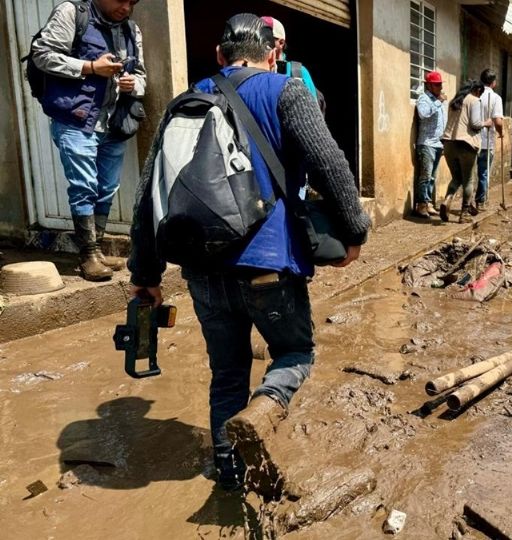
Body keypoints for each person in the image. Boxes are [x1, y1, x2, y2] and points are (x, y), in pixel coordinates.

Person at [127, 13, 370, 496]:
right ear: (274, 54)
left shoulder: (185, 103)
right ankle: (266, 407)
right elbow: (329, 163)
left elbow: (147, 194)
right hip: (269, 263)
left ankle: (229, 473)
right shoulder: (287, 91)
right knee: (295, 352)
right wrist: (355, 230)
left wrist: (145, 274)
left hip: (201, 270)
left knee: (228, 372)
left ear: (218, 55)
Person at [31, 0, 146, 281]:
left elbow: (142, 75)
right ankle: (88, 255)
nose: (127, 8)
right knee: (84, 186)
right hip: (76, 119)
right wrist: (90, 67)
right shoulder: (72, 13)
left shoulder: (131, 30)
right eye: (121, 0)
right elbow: (42, 54)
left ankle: (98, 249)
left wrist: (133, 84)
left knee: (107, 187)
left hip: (113, 122)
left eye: (133, 2)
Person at [438, 80, 490, 223]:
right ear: (478, 91)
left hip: (448, 144)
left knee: (457, 178)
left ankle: (448, 198)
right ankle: (465, 214)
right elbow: (475, 124)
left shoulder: (454, 101)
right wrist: (487, 123)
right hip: (465, 144)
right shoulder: (474, 100)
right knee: (468, 180)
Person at [260, 16, 325, 114]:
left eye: (266, 38)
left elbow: (314, 116)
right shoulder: (248, 70)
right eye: (257, 38)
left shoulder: (298, 73)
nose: (260, 43)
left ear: (281, 43)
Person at [411, 70, 446, 219]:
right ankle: (421, 205)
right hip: (426, 144)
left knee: (432, 177)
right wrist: (438, 102)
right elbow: (423, 114)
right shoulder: (424, 99)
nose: (440, 88)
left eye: (440, 85)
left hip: (437, 143)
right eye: (437, 85)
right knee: (425, 176)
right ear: (429, 85)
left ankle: (428, 203)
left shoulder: (438, 99)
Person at [476, 68, 504, 210]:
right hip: (486, 141)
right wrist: (501, 133)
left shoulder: (474, 94)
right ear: (493, 83)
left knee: (468, 174)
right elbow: (498, 121)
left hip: (471, 140)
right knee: (483, 172)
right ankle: (480, 201)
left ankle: (466, 202)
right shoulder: (496, 98)